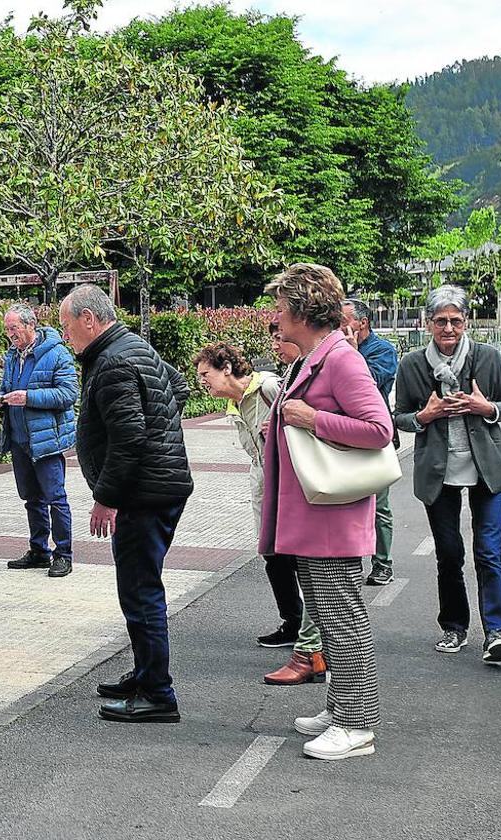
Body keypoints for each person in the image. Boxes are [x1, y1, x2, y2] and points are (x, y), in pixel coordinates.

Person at [261, 263, 392, 760]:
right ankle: (342, 708)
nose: (275, 315)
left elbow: (379, 430)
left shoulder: (340, 359)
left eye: (279, 306)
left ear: (299, 309)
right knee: (327, 613)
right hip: (315, 514)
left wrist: (314, 418)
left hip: (332, 515)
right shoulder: (318, 355)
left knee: (343, 619)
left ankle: (357, 725)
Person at [58, 284, 193, 724]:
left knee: (140, 591)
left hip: (143, 494)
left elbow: (129, 437)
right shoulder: (132, 346)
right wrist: (163, 427)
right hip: (157, 486)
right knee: (139, 587)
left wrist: (106, 497)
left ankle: (157, 693)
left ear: (88, 320)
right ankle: (144, 674)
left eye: (67, 327)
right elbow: (177, 386)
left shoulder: (114, 360)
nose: (66, 337)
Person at [193, 335, 326, 687]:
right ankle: (293, 623)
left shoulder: (267, 387)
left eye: (206, 374)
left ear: (226, 368)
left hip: (288, 478)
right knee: (272, 553)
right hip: (263, 478)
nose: (202, 382)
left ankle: (311, 638)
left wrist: (281, 427)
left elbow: (300, 417)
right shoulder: (234, 406)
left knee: (298, 558)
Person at [393, 285, 501, 665]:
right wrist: (424, 417)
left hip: (488, 471)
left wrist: (485, 406)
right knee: (449, 554)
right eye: (441, 320)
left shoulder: (488, 358)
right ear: (428, 323)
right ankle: (454, 626)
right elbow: (399, 416)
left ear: (465, 323)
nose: (448, 328)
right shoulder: (413, 364)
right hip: (438, 471)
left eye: (456, 320)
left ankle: (497, 632)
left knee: (488, 553)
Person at [0, 302, 78, 578]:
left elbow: (68, 395)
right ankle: (39, 551)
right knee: (31, 498)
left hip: (46, 441)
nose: (9, 334)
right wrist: (0, 397)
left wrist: (29, 398)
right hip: (19, 440)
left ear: (30, 325)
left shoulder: (57, 354)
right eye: (6, 329)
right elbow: (7, 388)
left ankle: (63, 555)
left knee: (55, 498)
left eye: (13, 328)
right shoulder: (11, 356)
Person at [341, 298, 400, 586]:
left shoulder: (383, 350)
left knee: (379, 505)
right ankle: (348, 562)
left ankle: (383, 563)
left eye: (344, 320)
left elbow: (370, 384)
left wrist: (352, 354)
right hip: (344, 436)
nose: (338, 326)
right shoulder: (334, 349)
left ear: (362, 323)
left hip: (375, 437)